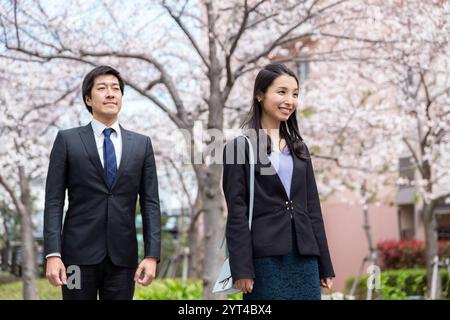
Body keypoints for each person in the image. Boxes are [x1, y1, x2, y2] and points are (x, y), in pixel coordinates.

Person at [44, 65, 161, 300]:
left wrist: (151, 255)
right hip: (75, 258)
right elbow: (54, 201)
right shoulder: (67, 140)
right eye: (102, 88)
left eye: (116, 89)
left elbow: (150, 204)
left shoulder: (141, 145)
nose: (110, 93)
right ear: (88, 98)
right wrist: (53, 254)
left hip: (123, 259)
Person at [222, 63, 335, 300]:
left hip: (305, 258)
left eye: (295, 94)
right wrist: (241, 268)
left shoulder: (300, 149)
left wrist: (324, 263)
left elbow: (312, 209)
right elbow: (237, 213)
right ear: (260, 94)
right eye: (281, 92)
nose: (290, 101)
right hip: (264, 260)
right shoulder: (240, 148)